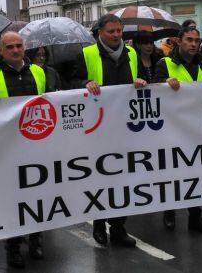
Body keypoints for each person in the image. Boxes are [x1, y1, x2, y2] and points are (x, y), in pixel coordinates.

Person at [72, 14, 147, 248]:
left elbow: (143, 79)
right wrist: (84, 83)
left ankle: (118, 228)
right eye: (111, 31)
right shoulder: (85, 54)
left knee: (123, 180)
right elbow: (68, 82)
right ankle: (99, 224)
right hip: (96, 128)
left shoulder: (132, 54)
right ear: (99, 33)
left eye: (119, 31)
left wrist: (141, 81)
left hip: (125, 127)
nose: (116, 35)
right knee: (100, 179)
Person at [0, 32, 51, 269]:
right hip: (5, 148)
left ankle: (36, 238)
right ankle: (13, 246)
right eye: (10, 47)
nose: (16, 50)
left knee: (37, 196)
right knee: (12, 199)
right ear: (0, 50)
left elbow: (51, 101)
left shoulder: (39, 72)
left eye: (19, 46)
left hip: (36, 145)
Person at [153, 27, 202, 234]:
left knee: (196, 174)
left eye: (196, 41)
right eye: (189, 40)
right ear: (178, 41)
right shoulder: (165, 63)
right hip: (173, 128)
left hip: (199, 128)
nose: (193, 44)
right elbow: (154, 91)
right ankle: (169, 210)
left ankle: (195, 216)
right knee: (173, 173)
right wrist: (164, 84)